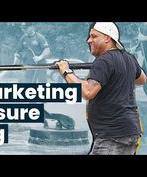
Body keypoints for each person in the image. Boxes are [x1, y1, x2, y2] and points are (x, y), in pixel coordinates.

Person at [56, 22, 147, 155]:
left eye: (94, 36)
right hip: (130, 132)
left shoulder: (104, 60)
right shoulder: (129, 58)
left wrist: (66, 71)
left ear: (107, 38)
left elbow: (87, 92)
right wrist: (120, 73)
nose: (89, 40)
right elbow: (142, 79)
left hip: (112, 136)